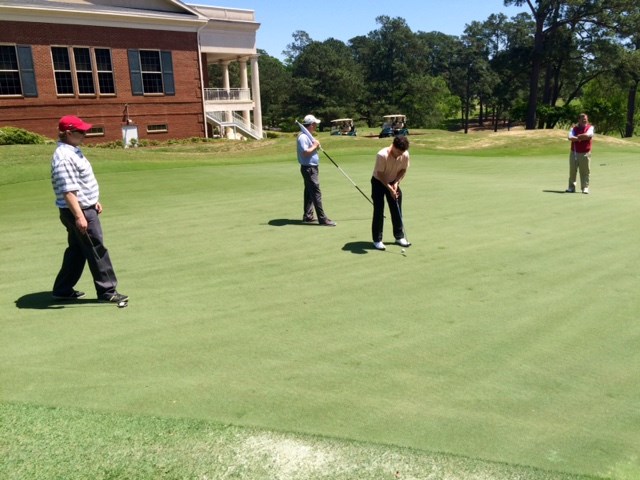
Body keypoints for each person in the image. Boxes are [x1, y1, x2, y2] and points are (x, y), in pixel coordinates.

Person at [51, 115, 128, 304]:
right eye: (81, 131)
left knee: (77, 250)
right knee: (96, 249)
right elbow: (68, 191)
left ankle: (62, 289)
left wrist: (94, 201)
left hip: (85, 207)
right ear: (68, 133)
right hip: (80, 211)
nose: (85, 134)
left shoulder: (72, 150)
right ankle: (107, 291)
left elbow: (81, 182)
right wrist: (80, 216)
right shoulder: (64, 157)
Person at [371, 136, 411, 250]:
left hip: (393, 181)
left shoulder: (405, 154)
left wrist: (396, 183)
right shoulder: (382, 155)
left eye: (402, 152)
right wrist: (389, 188)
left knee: (396, 208)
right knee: (379, 210)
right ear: (393, 146)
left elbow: (403, 169)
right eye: (398, 152)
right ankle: (377, 240)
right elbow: (380, 174)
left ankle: (399, 237)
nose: (400, 155)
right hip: (378, 182)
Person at [297, 114, 336, 226]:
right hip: (309, 168)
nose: (316, 127)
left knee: (309, 192)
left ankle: (308, 216)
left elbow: (309, 150)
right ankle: (322, 219)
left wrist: (315, 146)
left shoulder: (307, 136)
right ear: (312, 125)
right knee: (315, 192)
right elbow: (304, 153)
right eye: (315, 124)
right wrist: (314, 145)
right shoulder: (303, 137)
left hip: (311, 167)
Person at [566, 113, 594, 194]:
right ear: (579, 120)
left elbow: (588, 135)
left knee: (585, 171)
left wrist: (577, 137)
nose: (584, 120)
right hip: (574, 152)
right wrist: (581, 137)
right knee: (572, 170)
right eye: (582, 119)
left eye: (585, 119)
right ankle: (571, 187)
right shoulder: (573, 128)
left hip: (585, 153)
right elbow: (570, 137)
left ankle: (585, 187)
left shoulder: (590, 127)